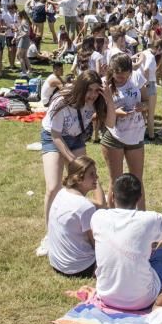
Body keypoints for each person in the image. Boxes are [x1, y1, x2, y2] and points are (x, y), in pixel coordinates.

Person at [36, 71, 115, 257]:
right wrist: (73, 161)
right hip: (53, 137)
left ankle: (95, 224)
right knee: (53, 187)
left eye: (97, 90)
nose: (93, 95)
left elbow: (111, 123)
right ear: (81, 87)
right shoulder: (62, 101)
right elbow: (55, 135)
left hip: (76, 136)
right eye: (90, 90)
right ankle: (49, 235)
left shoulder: (96, 101)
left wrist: (109, 100)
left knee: (89, 180)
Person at [91, 173, 162, 310]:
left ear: (113, 196)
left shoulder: (98, 217)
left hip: (106, 294)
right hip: (143, 299)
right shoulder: (149, 219)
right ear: (139, 198)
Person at [101, 53, 148, 209]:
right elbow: (100, 113)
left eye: (124, 76)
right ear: (112, 71)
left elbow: (147, 101)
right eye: (117, 75)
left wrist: (143, 106)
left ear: (130, 72)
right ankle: (111, 217)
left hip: (136, 135)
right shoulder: (105, 84)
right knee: (115, 180)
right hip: (114, 136)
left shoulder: (137, 78)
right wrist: (116, 112)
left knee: (137, 180)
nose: (120, 78)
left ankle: (141, 217)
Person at [48, 156, 106, 277]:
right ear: (79, 179)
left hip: (56, 263)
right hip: (80, 268)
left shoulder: (62, 193)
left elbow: (99, 204)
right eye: (92, 174)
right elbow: (97, 243)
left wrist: (92, 179)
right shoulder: (85, 207)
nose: (97, 177)